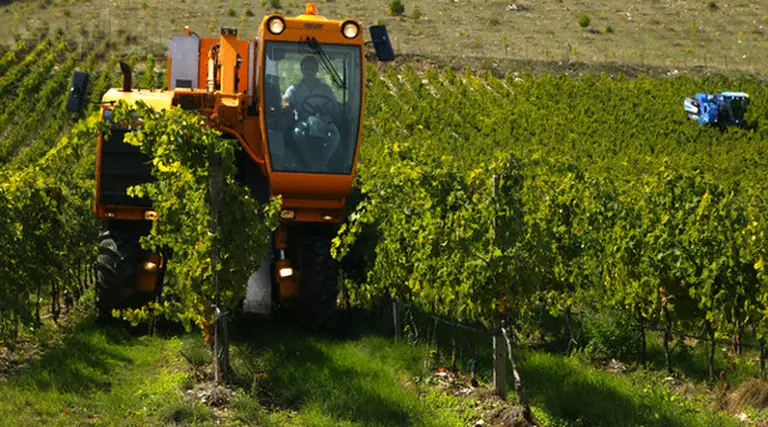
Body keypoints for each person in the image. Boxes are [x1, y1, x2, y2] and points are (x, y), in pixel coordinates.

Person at [282, 56, 341, 120]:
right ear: (302, 70)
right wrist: (286, 106)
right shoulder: (294, 90)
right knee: (297, 130)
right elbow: (284, 101)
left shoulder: (326, 90)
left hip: (324, 125)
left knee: (334, 130)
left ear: (316, 70)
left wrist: (330, 108)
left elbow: (335, 106)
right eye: (306, 69)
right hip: (303, 125)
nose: (309, 72)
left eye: (311, 69)